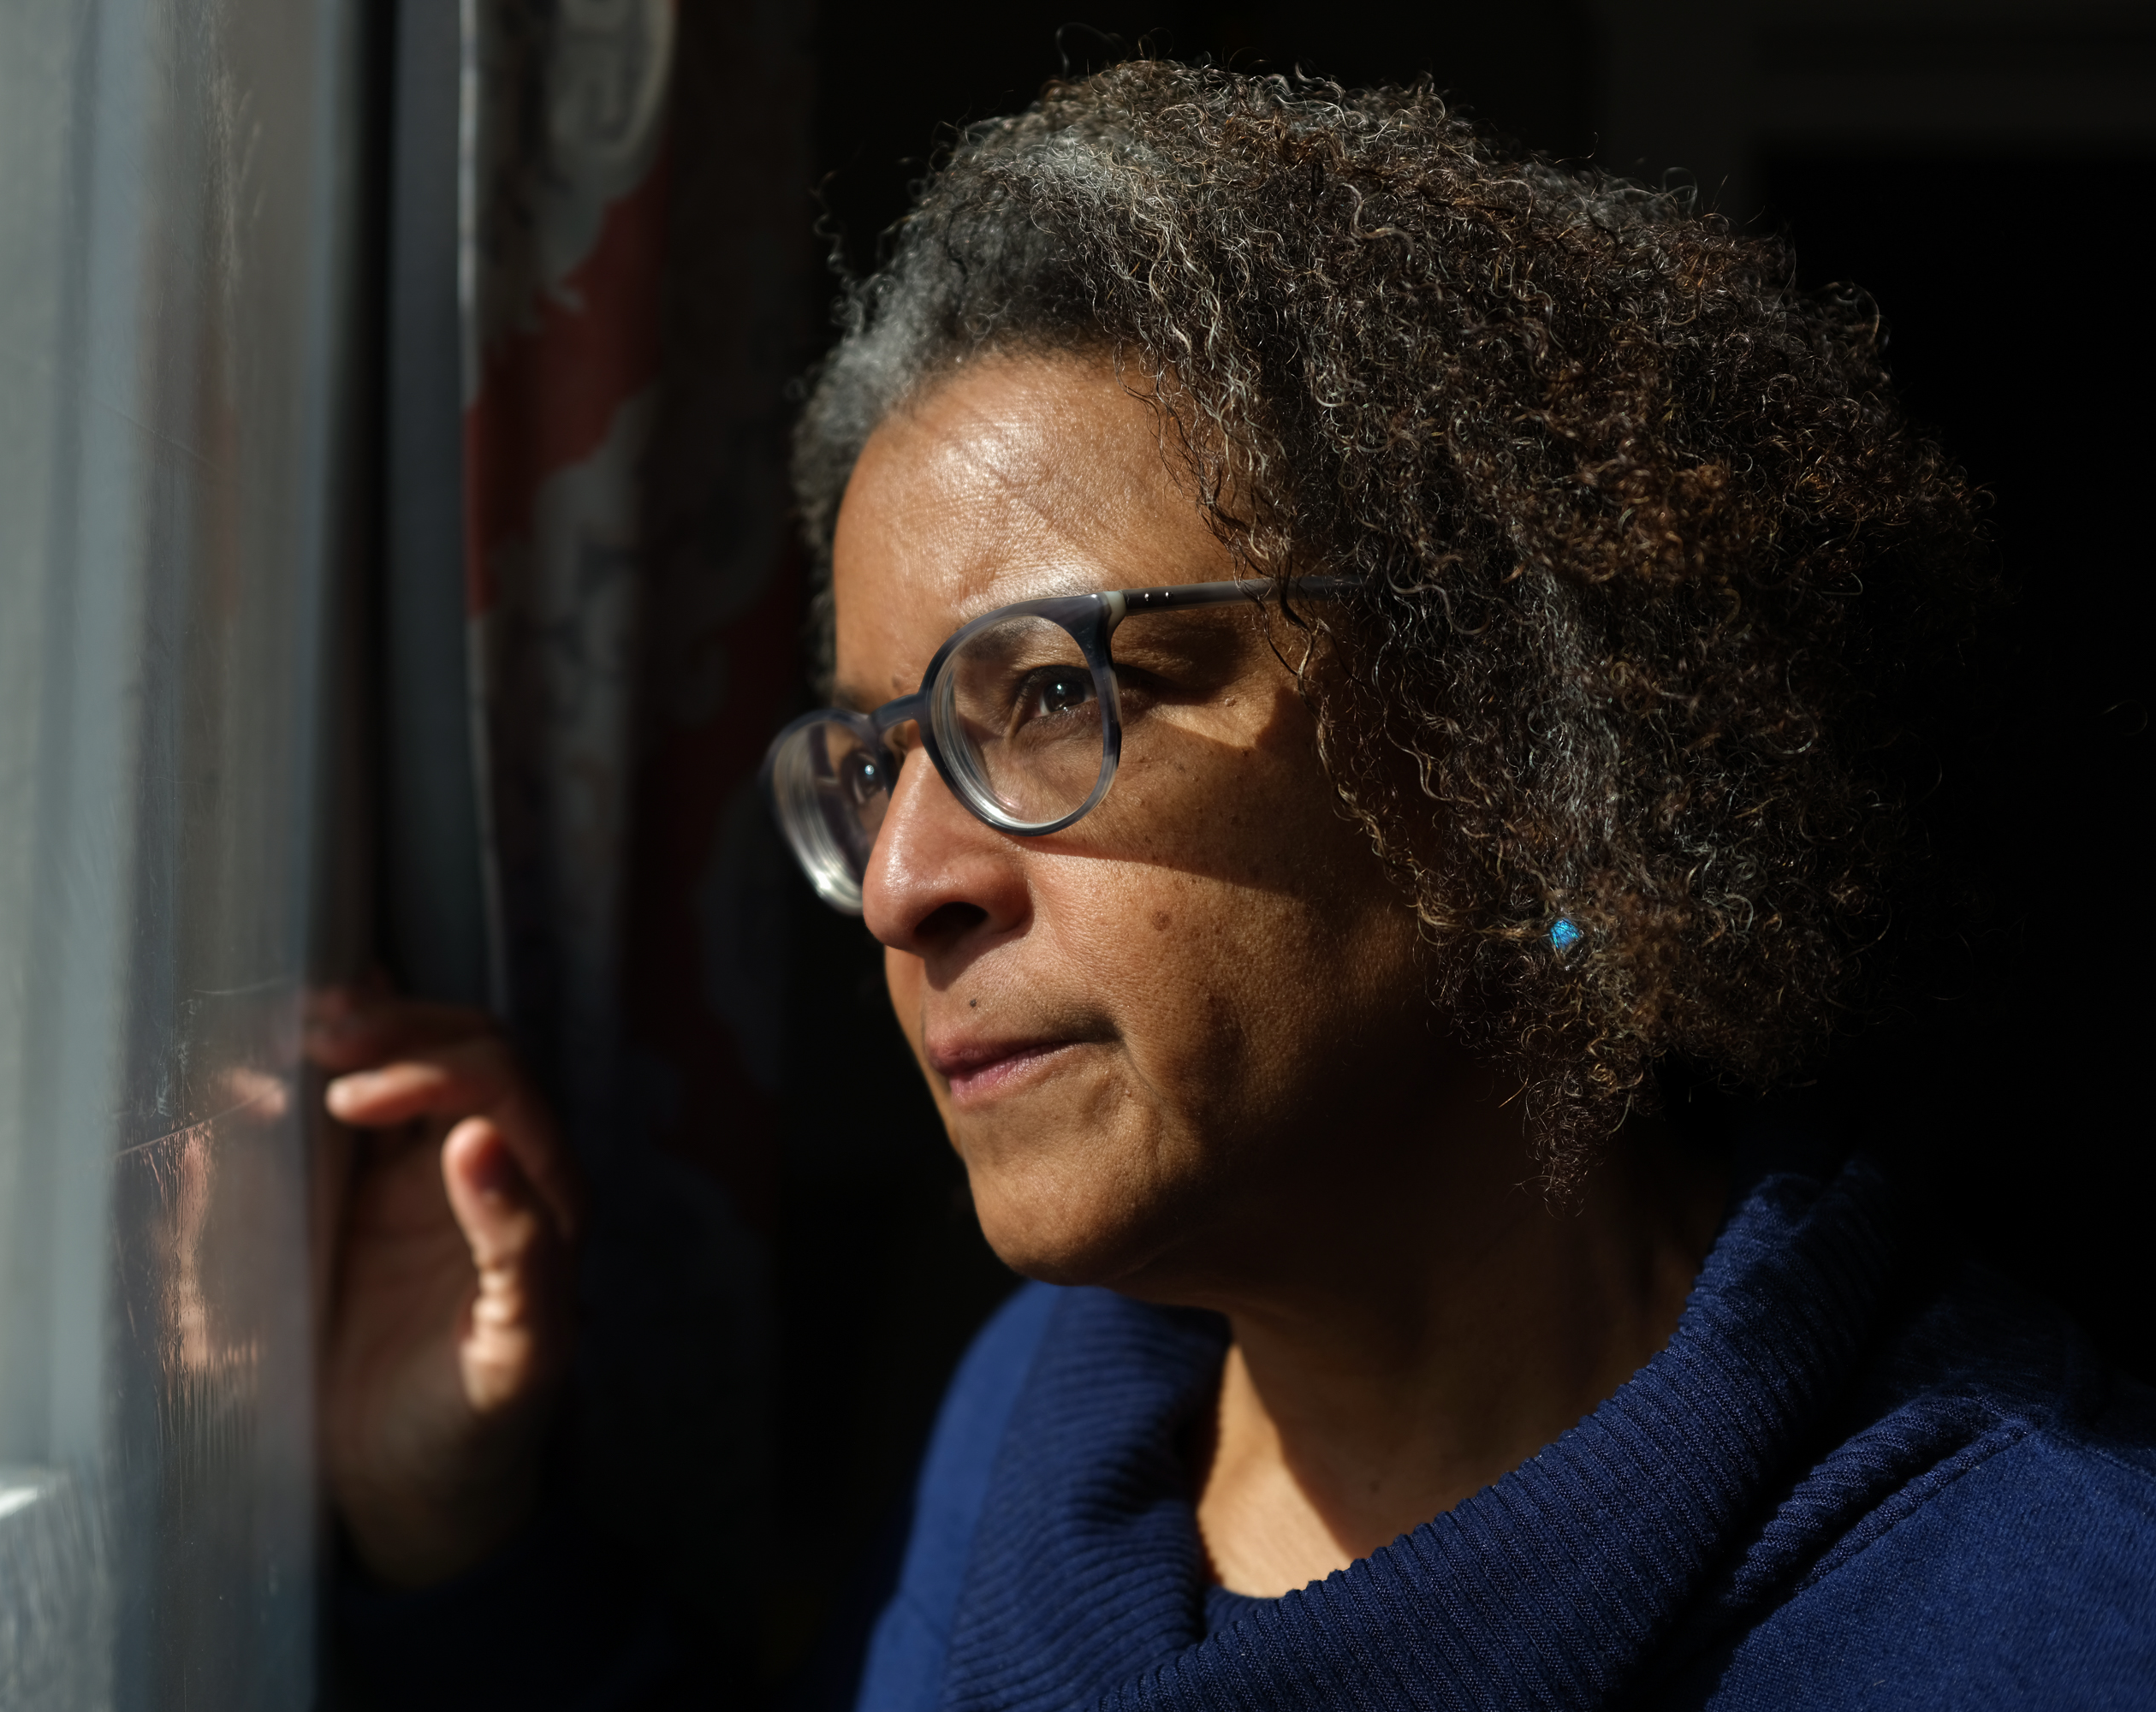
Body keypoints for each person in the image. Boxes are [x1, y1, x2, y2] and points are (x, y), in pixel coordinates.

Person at [313, 62, 2156, 1709]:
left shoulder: (2040, 1618)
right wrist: (459, 1540)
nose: (900, 887)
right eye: (876, 765)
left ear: (1504, 739)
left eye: (1048, 695)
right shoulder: (1043, 1419)